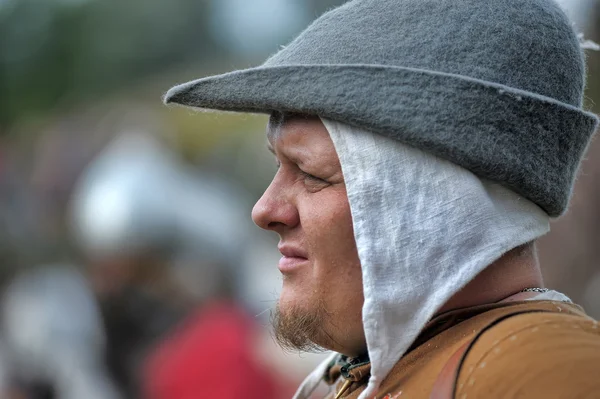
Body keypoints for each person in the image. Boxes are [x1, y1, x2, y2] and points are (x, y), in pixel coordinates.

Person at [163, 0, 600, 398]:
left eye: (312, 174)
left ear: (434, 200)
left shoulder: (544, 373)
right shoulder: (384, 367)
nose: (264, 210)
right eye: (278, 167)